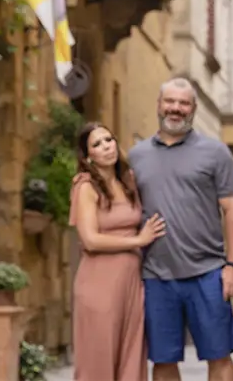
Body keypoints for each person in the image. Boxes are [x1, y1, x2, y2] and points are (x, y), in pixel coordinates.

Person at [129, 77, 233, 381]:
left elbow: (232, 210)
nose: (176, 108)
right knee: (163, 360)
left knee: (219, 355)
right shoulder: (135, 156)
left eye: (183, 103)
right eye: (170, 101)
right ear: (159, 105)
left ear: (193, 108)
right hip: (156, 275)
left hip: (209, 273)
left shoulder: (215, 152)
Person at [69, 122, 167, 381]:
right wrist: (139, 240)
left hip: (131, 283)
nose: (106, 147)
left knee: (132, 359)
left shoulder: (128, 182)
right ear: (88, 155)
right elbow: (90, 240)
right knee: (98, 361)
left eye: (108, 140)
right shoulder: (86, 186)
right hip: (98, 283)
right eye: (97, 144)